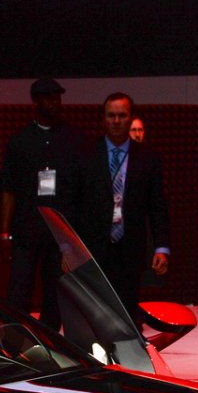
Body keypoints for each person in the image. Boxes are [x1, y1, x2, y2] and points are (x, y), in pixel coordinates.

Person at [71, 92, 169, 317]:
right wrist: (69, 248)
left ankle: (126, 351)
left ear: (131, 118)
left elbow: (157, 205)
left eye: (122, 115)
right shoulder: (84, 154)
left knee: (127, 312)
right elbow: (73, 203)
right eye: (111, 115)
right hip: (92, 247)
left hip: (130, 247)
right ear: (103, 118)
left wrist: (162, 246)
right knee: (93, 312)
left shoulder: (148, 157)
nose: (116, 121)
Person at [0, 77, 84, 324]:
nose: (54, 103)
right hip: (27, 229)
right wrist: (5, 232)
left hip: (59, 233)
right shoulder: (19, 142)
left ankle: (49, 343)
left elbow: (81, 189)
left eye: (57, 97)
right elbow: (8, 188)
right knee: (19, 290)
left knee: (57, 293)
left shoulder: (73, 139)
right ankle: (17, 338)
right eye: (48, 97)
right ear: (35, 102)